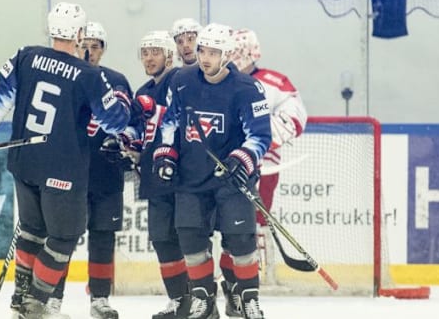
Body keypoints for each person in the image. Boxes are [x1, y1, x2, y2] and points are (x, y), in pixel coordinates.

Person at [0, 2, 137, 319]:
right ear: (79, 34)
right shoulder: (89, 74)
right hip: (63, 167)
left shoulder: (25, 56)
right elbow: (116, 123)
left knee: (31, 231)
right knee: (64, 236)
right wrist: (121, 106)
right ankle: (36, 304)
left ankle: (20, 301)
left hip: (25, 163)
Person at [154, 23, 271, 319]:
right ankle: (203, 298)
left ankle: (247, 298)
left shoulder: (247, 88)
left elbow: (260, 136)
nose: (205, 57)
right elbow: (169, 123)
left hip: (231, 181)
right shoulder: (182, 80)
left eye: (213, 52)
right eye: (202, 50)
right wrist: (166, 154)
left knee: (241, 239)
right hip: (191, 178)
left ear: (228, 54)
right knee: (191, 237)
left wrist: (242, 158)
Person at [45, 21, 133, 319]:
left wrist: (125, 143)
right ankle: (53, 298)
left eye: (96, 47)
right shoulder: (64, 77)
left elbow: (129, 123)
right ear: (76, 44)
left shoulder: (117, 80)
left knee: (103, 237)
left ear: (103, 51)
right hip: (69, 173)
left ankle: (100, 298)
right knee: (62, 236)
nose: (89, 51)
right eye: (85, 45)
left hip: (105, 174)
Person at [220, 28, 308, 303]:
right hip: (222, 163)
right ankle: (224, 276)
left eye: (235, 53)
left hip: (261, 163)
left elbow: (295, 118)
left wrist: (258, 137)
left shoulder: (273, 82)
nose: (231, 59)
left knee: (246, 224)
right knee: (221, 223)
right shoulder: (215, 82)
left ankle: (240, 277)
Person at [128, 30, 198, 319]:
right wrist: (128, 147)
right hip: (154, 178)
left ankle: (198, 300)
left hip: (181, 176)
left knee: (188, 239)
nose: (149, 57)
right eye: (144, 52)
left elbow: (180, 118)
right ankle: (177, 300)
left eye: (155, 51)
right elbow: (142, 132)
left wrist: (154, 109)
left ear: (169, 55)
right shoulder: (142, 91)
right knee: (161, 238)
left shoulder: (181, 79)